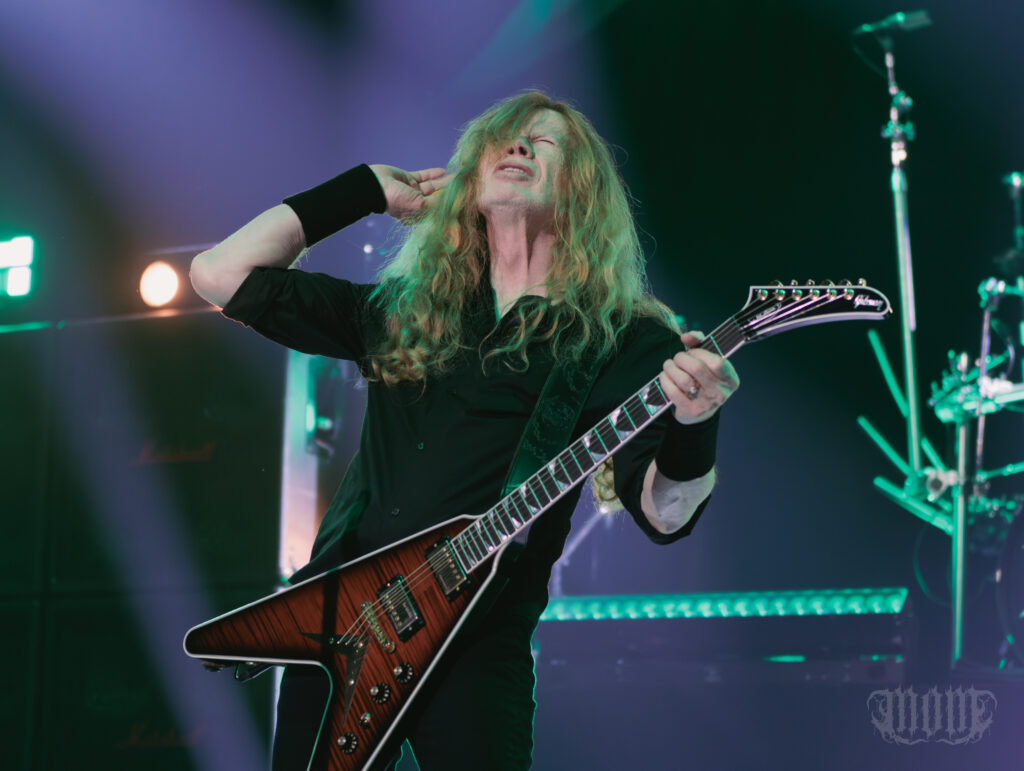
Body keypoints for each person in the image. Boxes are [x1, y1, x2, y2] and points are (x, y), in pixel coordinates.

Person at [190, 90, 739, 770]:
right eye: (503, 139)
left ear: (583, 190)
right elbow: (219, 274)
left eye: (545, 142)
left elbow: (665, 510)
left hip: (478, 645)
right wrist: (361, 188)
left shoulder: (625, 338)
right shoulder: (407, 310)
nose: (518, 146)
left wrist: (696, 421)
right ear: (468, 183)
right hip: (341, 625)